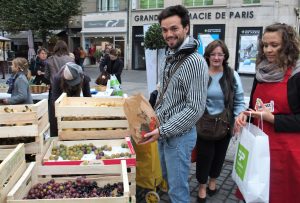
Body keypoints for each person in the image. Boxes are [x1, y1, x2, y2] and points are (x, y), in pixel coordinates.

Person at [140, 5, 209, 203]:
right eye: (164, 30)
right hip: (163, 132)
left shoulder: (195, 62)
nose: (168, 34)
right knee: (169, 184)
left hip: (179, 138)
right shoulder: (170, 56)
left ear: (186, 28)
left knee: (178, 192)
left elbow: (195, 108)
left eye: (174, 28)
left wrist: (163, 130)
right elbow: (165, 90)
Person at [235, 23, 300, 203]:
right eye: (265, 45)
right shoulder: (261, 73)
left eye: (274, 45)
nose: (268, 50)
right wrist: (244, 115)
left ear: (287, 46)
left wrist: (272, 119)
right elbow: (253, 107)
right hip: (258, 150)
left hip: (287, 154)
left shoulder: (296, 75)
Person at [195, 40, 245, 202]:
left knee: (219, 156)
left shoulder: (232, 75)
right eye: (213, 54)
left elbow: (238, 100)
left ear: (225, 56)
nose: (216, 57)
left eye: (220, 54)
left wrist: (238, 117)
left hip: (225, 124)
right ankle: (202, 186)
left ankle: (213, 181)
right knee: (204, 156)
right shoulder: (201, 73)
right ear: (208, 56)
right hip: (204, 124)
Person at [49, 62, 91, 137]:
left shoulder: (83, 77)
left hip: (76, 107)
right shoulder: (57, 78)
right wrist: (63, 113)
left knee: (76, 132)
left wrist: (88, 113)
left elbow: (88, 97)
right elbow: (55, 99)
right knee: (58, 131)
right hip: (61, 107)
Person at [45, 40, 74, 137]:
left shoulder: (50, 60)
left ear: (55, 48)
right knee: (68, 114)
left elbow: (46, 76)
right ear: (66, 48)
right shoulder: (70, 60)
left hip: (55, 90)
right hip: (68, 89)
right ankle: (68, 134)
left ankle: (55, 136)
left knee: (54, 115)